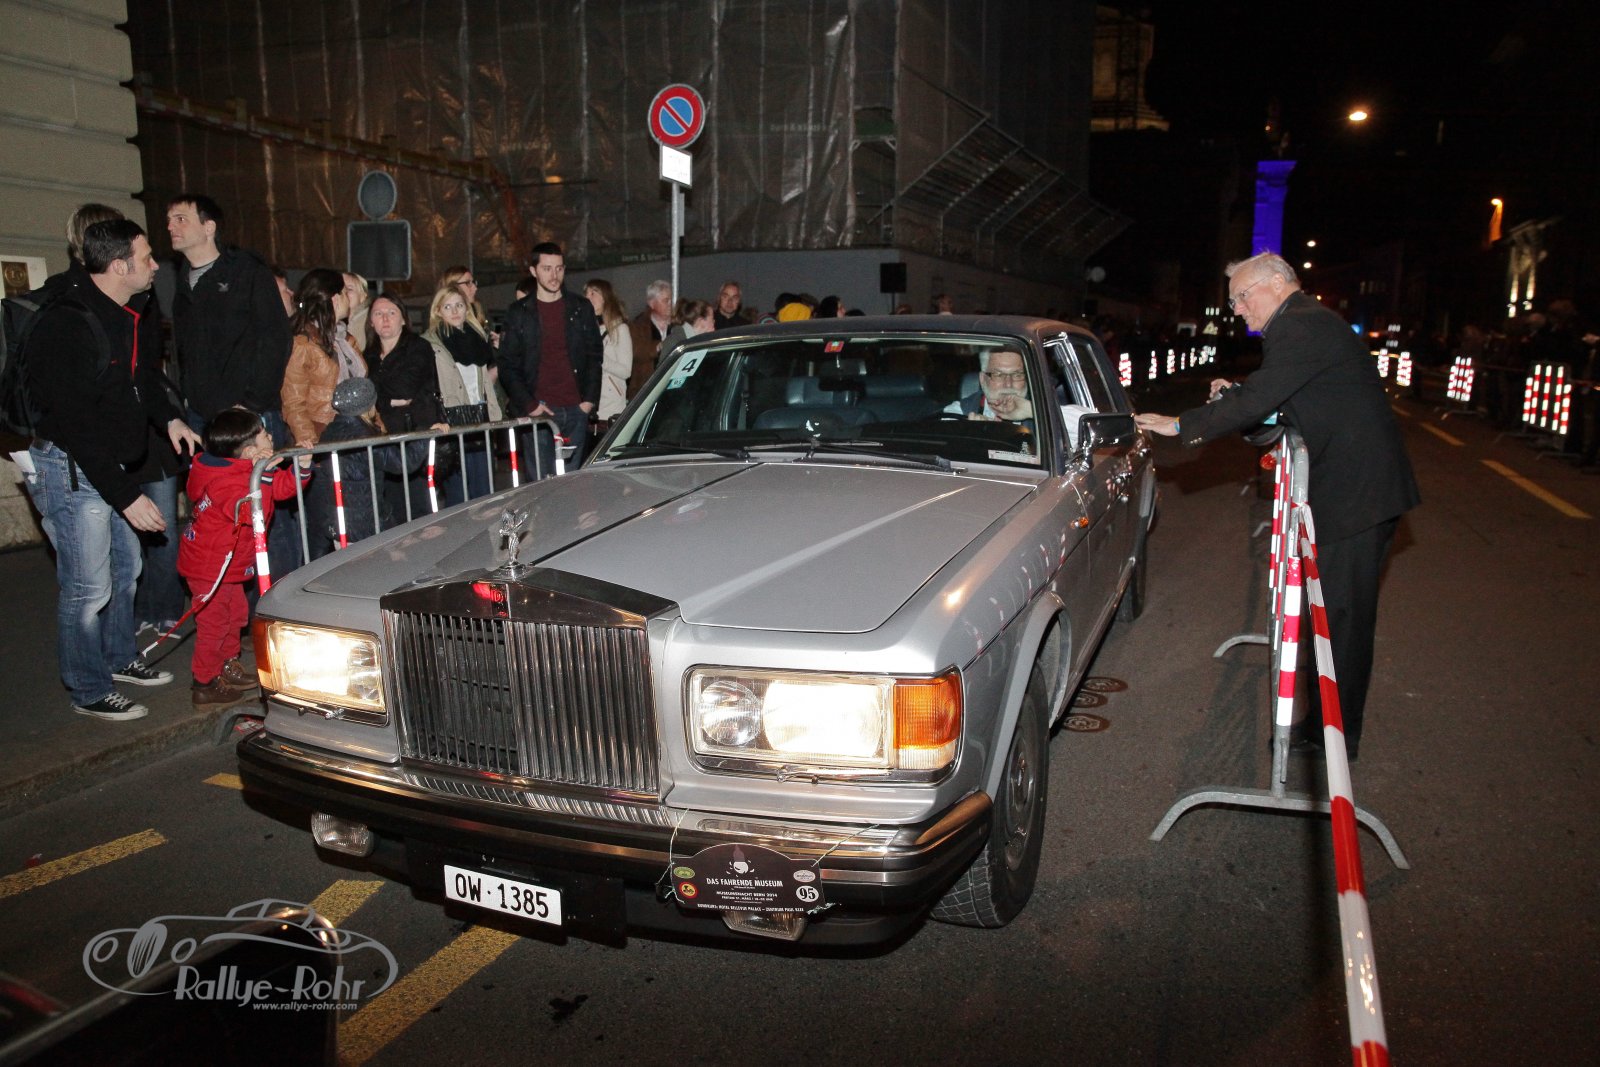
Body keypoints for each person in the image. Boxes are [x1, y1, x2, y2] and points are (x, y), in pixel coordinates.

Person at [1134, 252, 1420, 759]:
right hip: (1353, 493)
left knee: (1342, 624)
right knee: (1329, 618)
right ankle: (1323, 726)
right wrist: (1240, 395)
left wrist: (1181, 424)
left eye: (1242, 297)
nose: (1239, 310)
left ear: (1277, 283)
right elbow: (1284, 396)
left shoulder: (1300, 324)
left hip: (1359, 497)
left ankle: (1336, 741)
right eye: (1234, 302)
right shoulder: (1304, 325)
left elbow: (1263, 401)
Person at [19, 218, 202, 721]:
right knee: (87, 588)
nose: (155, 265)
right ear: (119, 266)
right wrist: (126, 495)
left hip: (106, 464)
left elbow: (140, 380)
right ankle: (88, 688)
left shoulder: (125, 311)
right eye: (146, 258)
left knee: (127, 569)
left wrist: (169, 419)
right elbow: (76, 425)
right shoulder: (66, 325)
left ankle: (119, 658)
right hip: (72, 468)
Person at [177, 408, 305, 709]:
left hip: (228, 566)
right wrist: (267, 474)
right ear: (249, 451)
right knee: (213, 625)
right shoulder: (225, 482)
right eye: (265, 434)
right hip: (210, 569)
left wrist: (303, 467)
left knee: (235, 615)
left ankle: (227, 665)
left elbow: (279, 490)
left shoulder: (243, 467)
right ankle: (204, 683)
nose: (271, 436)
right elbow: (253, 512)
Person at [165, 194, 292, 427]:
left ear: (208, 227)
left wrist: (251, 403)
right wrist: (189, 397)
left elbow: (276, 338)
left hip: (248, 414)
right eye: (169, 220)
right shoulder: (183, 284)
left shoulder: (246, 272)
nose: (170, 227)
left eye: (181, 219)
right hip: (201, 415)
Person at [495, 241, 602, 477]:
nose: (554, 275)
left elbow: (594, 356)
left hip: (576, 408)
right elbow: (507, 364)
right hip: (539, 410)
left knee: (572, 484)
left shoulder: (580, 308)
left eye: (559, 268)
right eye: (547, 268)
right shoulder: (518, 312)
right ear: (533, 271)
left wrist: (588, 401)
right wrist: (530, 405)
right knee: (541, 484)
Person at [303, 377, 427, 559]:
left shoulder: (330, 432)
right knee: (378, 569)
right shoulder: (363, 438)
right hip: (365, 526)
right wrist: (425, 435)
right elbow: (402, 462)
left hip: (343, 523)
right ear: (368, 405)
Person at [365, 293, 447, 517]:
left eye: (391, 312)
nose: (385, 318)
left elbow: (405, 389)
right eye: (378, 313)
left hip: (416, 440)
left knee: (422, 512)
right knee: (393, 511)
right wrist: (388, 400)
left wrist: (380, 395)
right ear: (371, 321)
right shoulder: (368, 355)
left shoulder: (418, 347)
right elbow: (367, 393)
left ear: (403, 319)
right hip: (385, 440)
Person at [423, 282, 502, 501]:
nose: (455, 311)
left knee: (484, 489)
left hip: (479, 417)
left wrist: (495, 415)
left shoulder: (477, 339)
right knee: (459, 492)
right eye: (447, 306)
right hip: (451, 419)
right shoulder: (431, 343)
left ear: (467, 308)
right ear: (438, 311)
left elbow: (485, 382)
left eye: (459, 305)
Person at [280, 268, 365, 450]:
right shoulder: (303, 344)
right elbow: (293, 404)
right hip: (324, 436)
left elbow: (362, 388)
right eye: (345, 293)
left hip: (356, 431)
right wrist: (311, 444)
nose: (348, 299)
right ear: (334, 299)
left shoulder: (346, 340)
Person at [584, 279, 633, 425]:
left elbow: (626, 371)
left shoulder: (620, 329)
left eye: (593, 293)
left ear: (605, 297)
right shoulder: (585, 329)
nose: (587, 297)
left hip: (611, 405)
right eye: (586, 293)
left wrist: (600, 358)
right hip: (588, 402)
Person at [945, 349, 1035, 424]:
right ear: (983, 379)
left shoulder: (1038, 411)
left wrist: (1032, 411)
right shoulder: (958, 414)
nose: (1008, 384)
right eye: (998, 375)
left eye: (1017, 375)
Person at [626, 279, 672, 398]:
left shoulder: (677, 325)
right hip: (645, 389)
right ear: (652, 303)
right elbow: (635, 351)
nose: (670, 304)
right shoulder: (637, 326)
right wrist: (658, 347)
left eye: (671, 300)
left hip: (672, 387)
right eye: (666, 300)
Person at [342, 272, 372, 352]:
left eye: (349, 289)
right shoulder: (345, 320)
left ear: (363, 296)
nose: (344, 293)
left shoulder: (366, 318)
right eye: (341, 289)